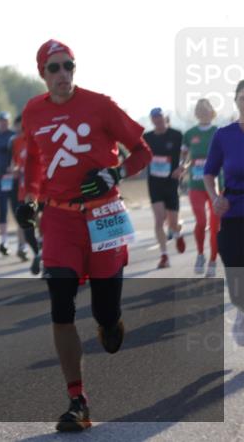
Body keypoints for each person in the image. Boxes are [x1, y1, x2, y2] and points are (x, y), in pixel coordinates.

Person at [18, 40, 152, 432]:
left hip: (105, 213)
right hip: (59, 219)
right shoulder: (33, 111)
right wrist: (29, 199)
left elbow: (141, 151)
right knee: (61, 302)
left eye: (69, 67)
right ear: (42, 74)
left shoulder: (100, 105)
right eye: (54, 68)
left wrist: (116, 173)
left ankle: (111, 321)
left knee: (105, 315)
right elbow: (33, 163)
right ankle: (78, 400)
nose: (63, 75)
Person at [203, 79, 244, 347]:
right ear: (237, 101)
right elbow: (208, 172)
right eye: (243, 98)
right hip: (233, 212)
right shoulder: (224, 135)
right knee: (236, 273)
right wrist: (215, 197)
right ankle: (241, 310)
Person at [143, 107, 186, 268]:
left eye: (160, 116)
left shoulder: (176, 135)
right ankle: (164, 255)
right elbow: (140, 154)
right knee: (159, 219)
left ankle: (178, 232)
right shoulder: (146, 137)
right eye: (154, 117)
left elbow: (186, 155)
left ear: (165, 118)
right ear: (152, 120)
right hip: (154, 183)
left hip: (171, 183)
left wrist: (181, 167)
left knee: (172, 223)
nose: (157, 120)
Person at [182, 98, 220, 277]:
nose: (203, 113)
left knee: (214, 225)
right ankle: (200, 254)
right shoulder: (189, 134)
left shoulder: (219, 132)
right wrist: (183, 166)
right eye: (200, 110)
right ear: (196, 113)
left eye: (206, 110)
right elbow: (185, 159)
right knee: (201, 222)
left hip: (215, 186)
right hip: (196, 185)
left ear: (212, 112)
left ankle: (213, 260)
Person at [0, 111, 26, 259]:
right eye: (0, 121)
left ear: (8, 122)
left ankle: (22, 243)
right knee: (1, 210)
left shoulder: (13, 137)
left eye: (5, 121)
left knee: (16, 210)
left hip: (12, 178)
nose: (3, 123)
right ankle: (4, 242)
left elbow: (18, 154)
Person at [8, 115, 42, 275]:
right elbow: (15, 162)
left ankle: (47, 259)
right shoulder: (16, 142)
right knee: (27, 229)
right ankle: (38, 254)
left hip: (44, 191)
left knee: (47, 225)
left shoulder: (42, 138)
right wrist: (14, 169)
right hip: (24, 193)